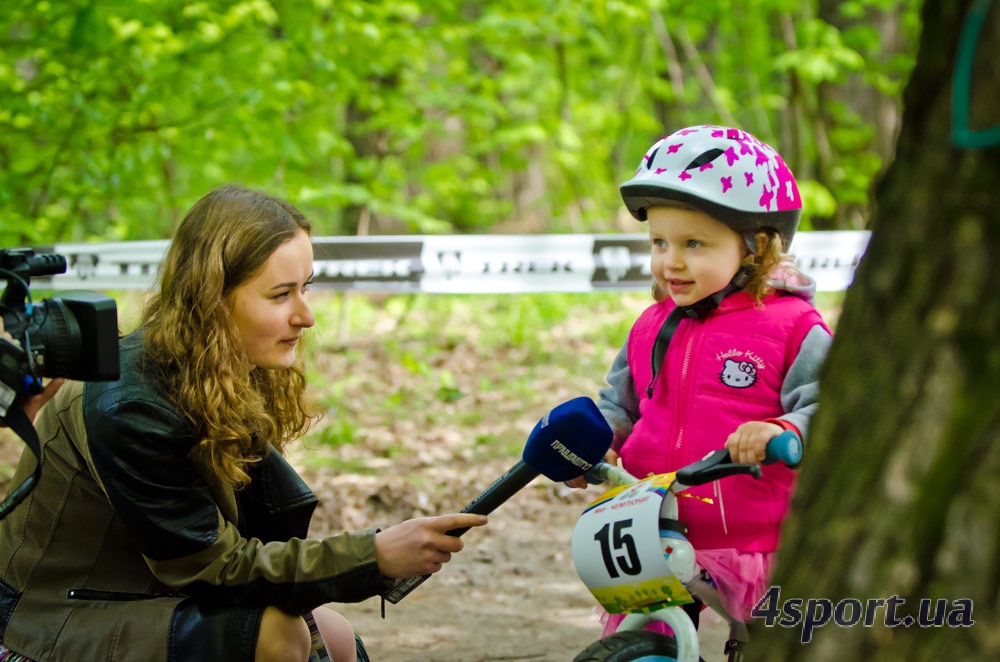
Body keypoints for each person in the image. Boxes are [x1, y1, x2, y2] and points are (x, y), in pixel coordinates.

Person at [0, 185, 487, 662]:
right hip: (40, 620)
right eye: (280, 295)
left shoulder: (221, 372)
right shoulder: (130, 406)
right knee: (277, 638)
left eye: (306, 287)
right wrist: (373, 556)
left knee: (332, 635)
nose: (307, 316)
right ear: (212, 301)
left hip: (138, 589)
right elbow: (216, 567)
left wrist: (364, 561)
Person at [571, 125, 832, 636]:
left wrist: (784, 430)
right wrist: (599, 442)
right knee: (639, 643)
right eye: (660, 242)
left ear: (756, 247)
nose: (671, 260)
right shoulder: (650, 326)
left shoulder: (794, 327)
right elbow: (619, 405)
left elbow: (829, 406)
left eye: (694, 242)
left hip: (755, 535)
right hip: (652, 524)